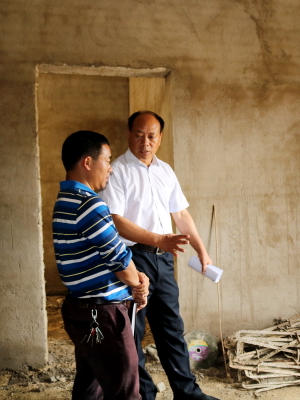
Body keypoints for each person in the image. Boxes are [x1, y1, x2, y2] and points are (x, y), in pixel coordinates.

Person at [99, 111, 218, 400]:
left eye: (151, 136)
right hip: (131, 259)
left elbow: (181, 214)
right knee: (133, 333)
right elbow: (115, 220)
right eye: (139, 135)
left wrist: (202, 250)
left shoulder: (165, 170)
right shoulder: (118, 171)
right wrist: (160, 240)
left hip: (163, 261)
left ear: (160, 138)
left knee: (172, 329)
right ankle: (144, 393)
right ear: (129, 135)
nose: (145, 143)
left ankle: (187, 393)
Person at [52, 130, 150, 400]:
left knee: (89, 388)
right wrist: (139, 284)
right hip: (104, 315)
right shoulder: (89, 204)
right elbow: (118, 259)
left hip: (81, 310)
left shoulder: (65, 200)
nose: (110, 168)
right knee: (125, 393)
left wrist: (135, 277)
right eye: (107, 161)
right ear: (88, 162)